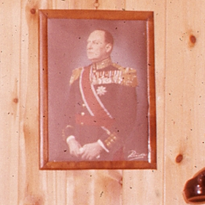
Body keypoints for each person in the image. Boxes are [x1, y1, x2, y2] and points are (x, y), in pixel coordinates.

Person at [62, 28, 145, 162]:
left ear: (108, 47)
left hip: (107, 152)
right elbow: (68, 114)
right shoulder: (79, 75)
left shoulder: (123, 75)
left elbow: (127, 121)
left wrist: (100, 145)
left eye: (95, 43)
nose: (89, 46)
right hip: (79, 151)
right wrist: (70, 140)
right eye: (88, 42)